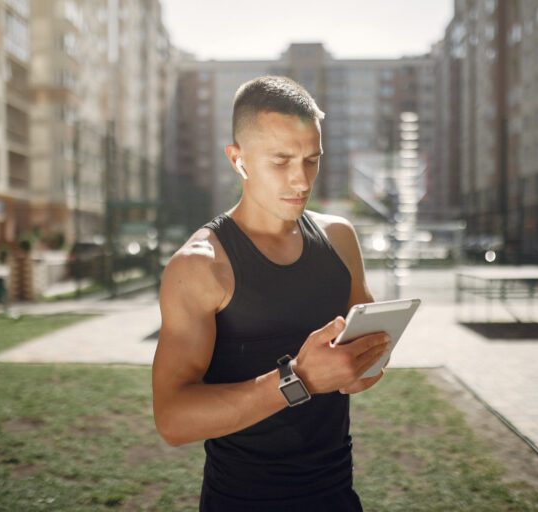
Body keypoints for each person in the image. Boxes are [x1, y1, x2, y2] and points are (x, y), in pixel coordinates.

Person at [152, 75, 390, 511]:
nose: (301, 180)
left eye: (311, 160)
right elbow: (172, 419)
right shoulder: (199, 266)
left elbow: (362, 353)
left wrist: (362, 364)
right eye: (280, 161)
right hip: (242, 500)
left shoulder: (339, 238)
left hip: (336, 495)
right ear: (238, 159)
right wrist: (298, 380)